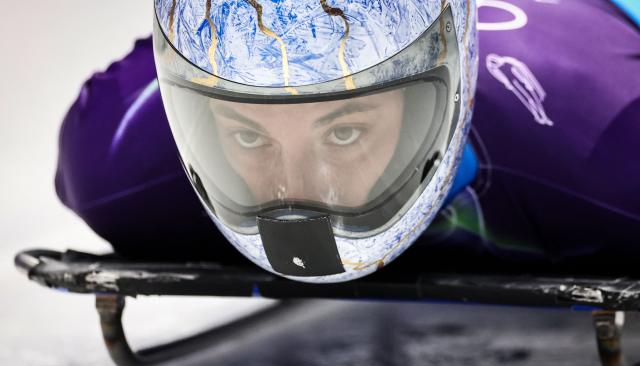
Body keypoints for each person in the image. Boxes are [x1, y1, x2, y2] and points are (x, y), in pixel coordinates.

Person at [56, 0, 640, 280]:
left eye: (343, 130)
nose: (294, 192)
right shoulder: (112, 161)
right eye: (247, 134)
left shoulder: (611, 153)